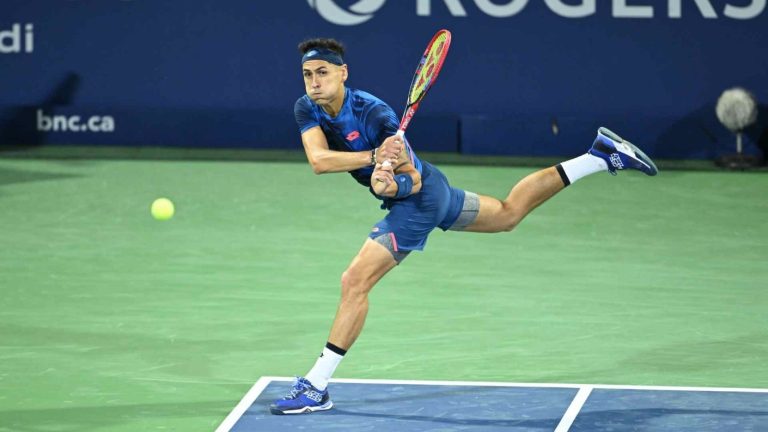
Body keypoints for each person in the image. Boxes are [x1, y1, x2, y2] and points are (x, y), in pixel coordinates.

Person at [269, 38, 657, 415]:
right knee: (507, 214)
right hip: (434, 191)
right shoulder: (307, 107)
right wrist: (374, 161)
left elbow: (411, 181)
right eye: (308, 74)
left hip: (419, 200)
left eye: (323, 72)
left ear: (343, 73)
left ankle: (316, 385)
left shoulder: (376, 115)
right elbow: (319, 160)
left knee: (354, 282)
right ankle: (598, 157)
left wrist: (391, 182)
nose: (314, 82)